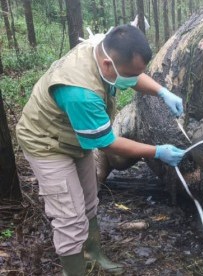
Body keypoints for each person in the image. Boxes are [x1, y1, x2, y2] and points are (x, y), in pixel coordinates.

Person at [15, 25, 186, 275]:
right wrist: (157, 151)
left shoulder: (103, 50)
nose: (133, 80)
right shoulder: (80, 93)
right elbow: (107, 143)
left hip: (74, 135)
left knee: (89, 199)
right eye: (128, 75)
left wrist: (162, 91)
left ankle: (93, 252)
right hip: (46, 142)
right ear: (108, 65)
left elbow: (133, 75)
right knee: (69, 218)